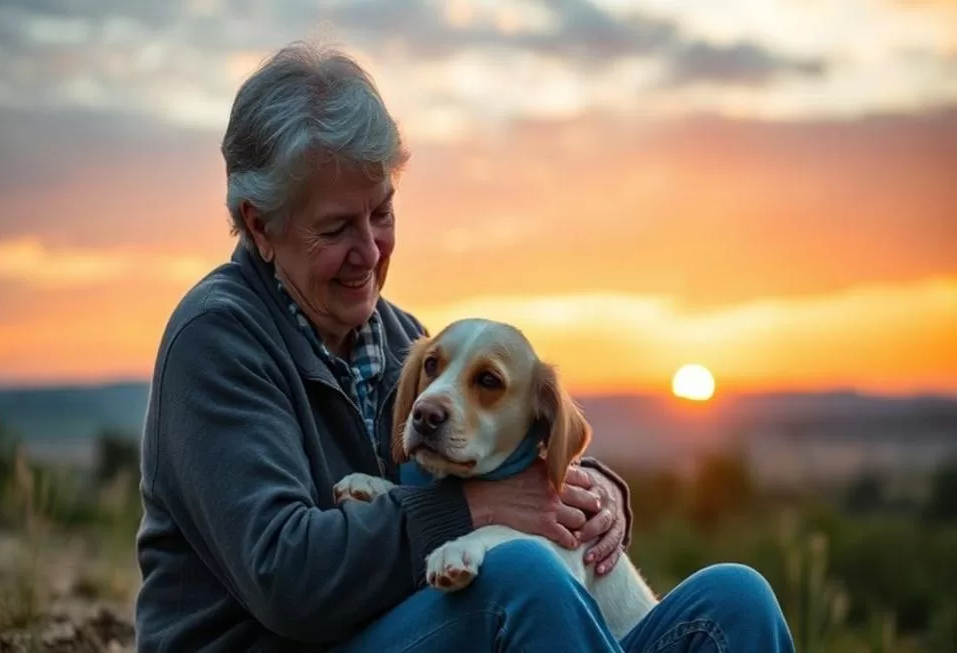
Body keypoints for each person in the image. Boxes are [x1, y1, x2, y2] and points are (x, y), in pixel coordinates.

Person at [134, 41, 795, 653]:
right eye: (337, 227)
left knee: (735, 600)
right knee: (521, 577)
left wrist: (588, 493)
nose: (369, 250)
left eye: (382, 213)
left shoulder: (400, 339)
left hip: (400, 625)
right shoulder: (217, 341)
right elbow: (285, 574)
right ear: (260, 224)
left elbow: (485, 459)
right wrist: (474, 507)